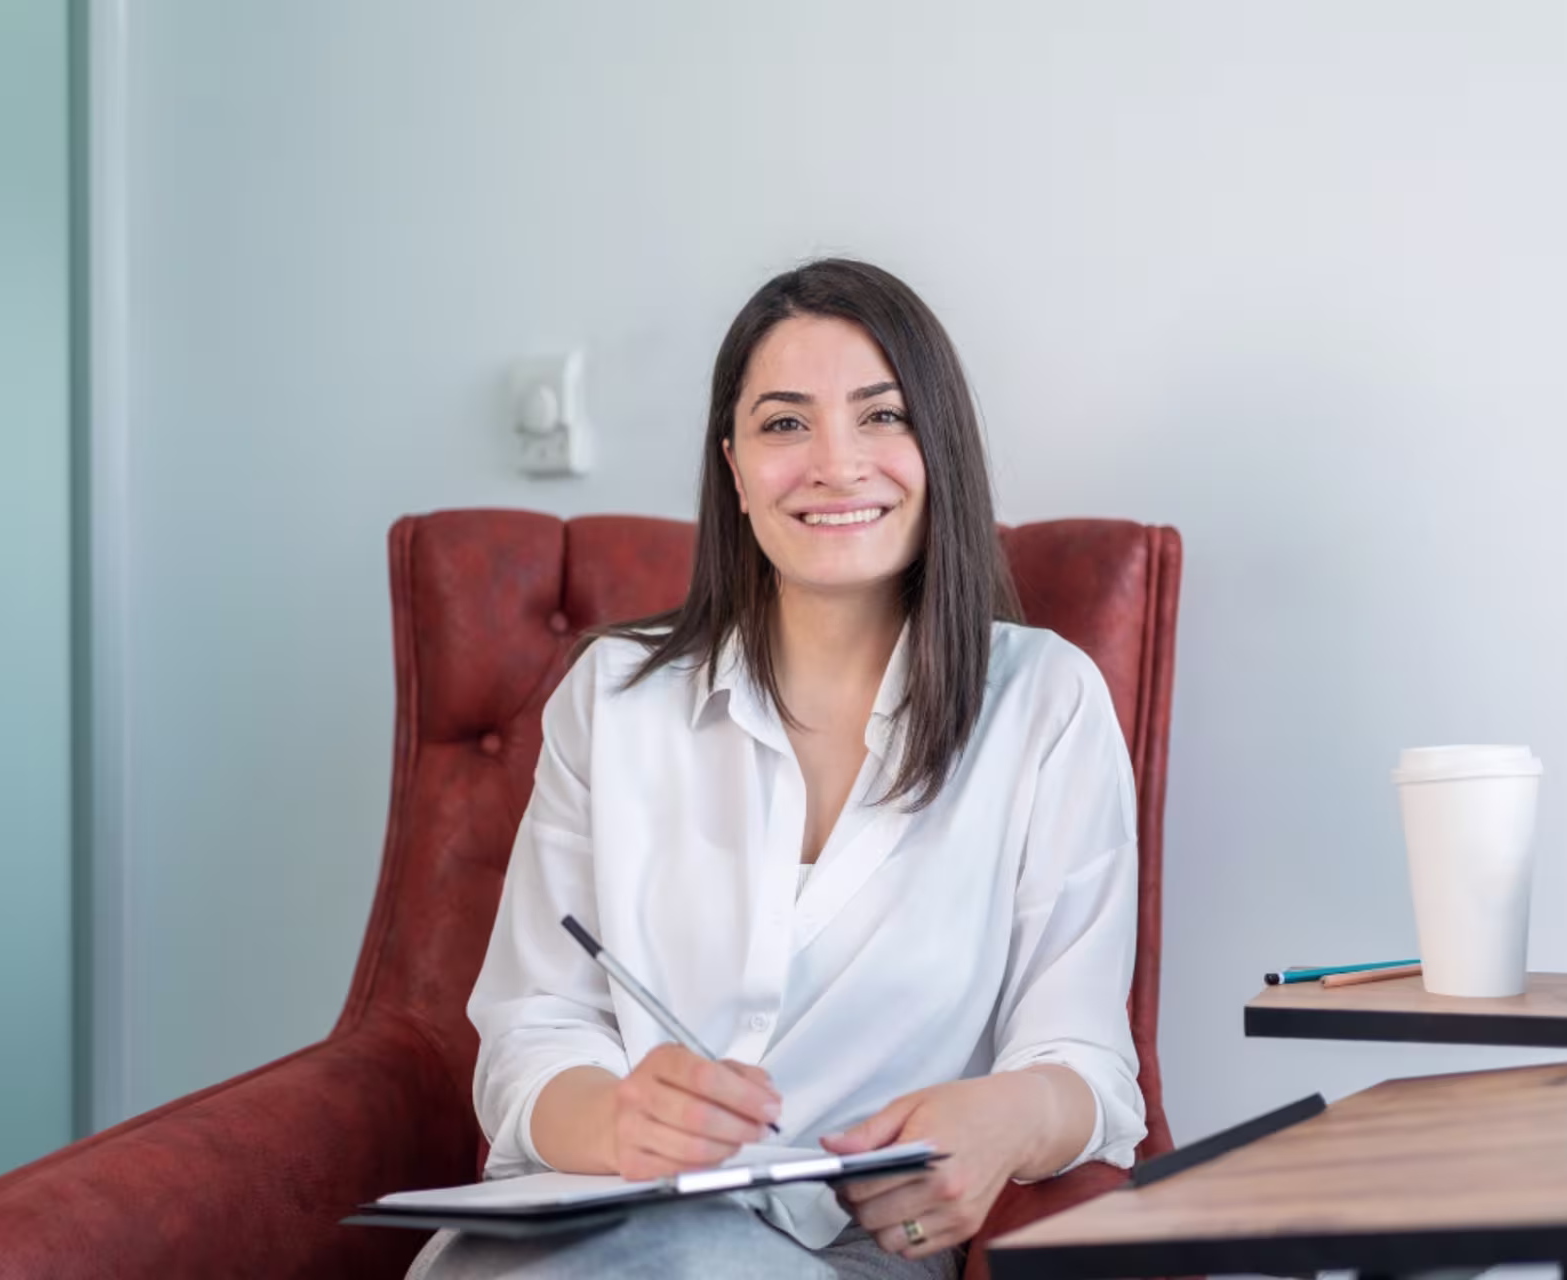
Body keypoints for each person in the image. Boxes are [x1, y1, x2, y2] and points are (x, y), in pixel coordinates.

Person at [410, 259, 1145, 1279]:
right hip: (581, 1230)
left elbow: (1089, 1066)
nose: (835, 464)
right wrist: (615, 1117)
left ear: (941, 448)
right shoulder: (613, 698)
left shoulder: (1046, 705)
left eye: (881, 416)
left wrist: (1009, 1119)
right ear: (734, 468)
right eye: (785, 423)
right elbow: (533, 1028)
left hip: (849, 1252)